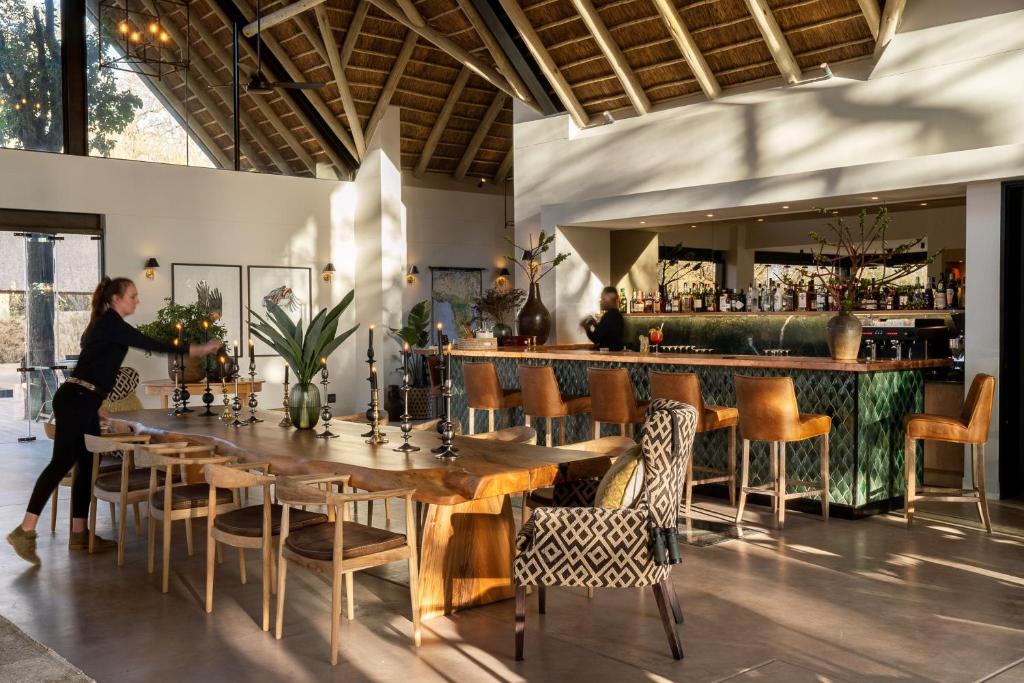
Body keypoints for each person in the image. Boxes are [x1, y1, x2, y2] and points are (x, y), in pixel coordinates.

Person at [6, 277, 220, 567]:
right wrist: (196, 350)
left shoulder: (105, 324)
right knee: (60, 463)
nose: (137, 300)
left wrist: (95, 407)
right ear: (116, 299)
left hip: (83, 400)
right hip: (77, 400)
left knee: (86, 466)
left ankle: (80, 534)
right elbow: (151, 343)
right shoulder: (111, 323)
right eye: (133, 296)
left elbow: (93, 368)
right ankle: (25, 531)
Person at [581, 286, 625, 351]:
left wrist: (586, 328)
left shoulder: (608, 316)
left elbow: (596, 338)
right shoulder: (617, 315)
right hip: (616, 354)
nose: (601, 302)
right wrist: (595, 325)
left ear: (608, 299)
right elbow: (607, 334)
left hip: (608, 357)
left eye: (602, 298)